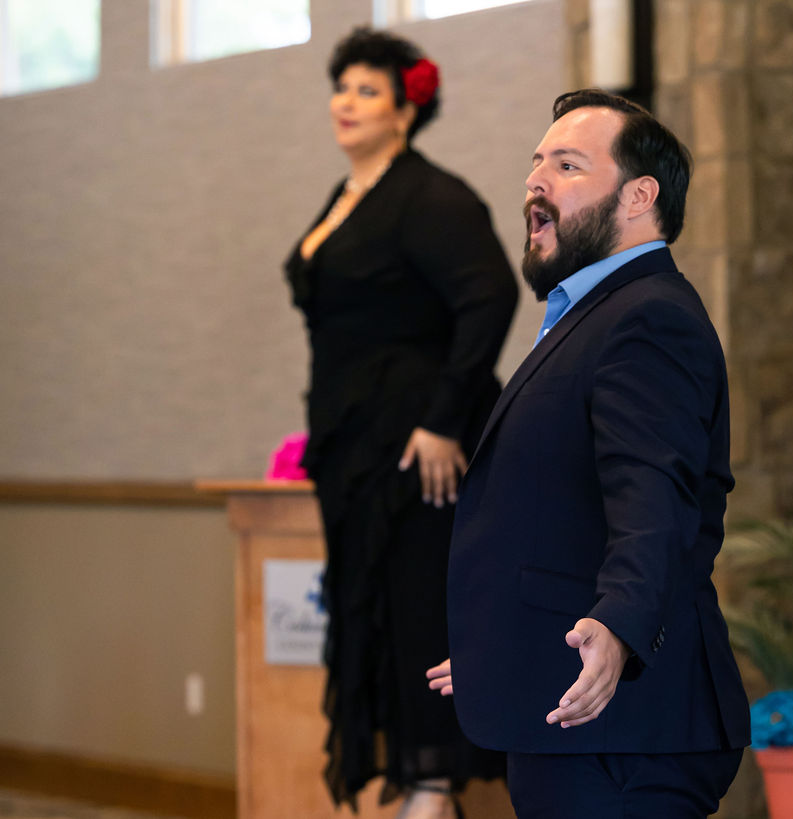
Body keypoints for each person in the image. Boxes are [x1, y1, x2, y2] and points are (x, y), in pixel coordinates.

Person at [427, 89, 750, 818]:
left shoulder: (649, 318)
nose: (535, 181)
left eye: (567, 165)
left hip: (624, 730)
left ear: (639, 196)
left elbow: (653, 497)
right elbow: (562, 514)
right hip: (577, 713)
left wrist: (619, 626)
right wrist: (507, 645)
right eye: (537, 162)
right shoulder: (594, 317)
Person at [283, 27, 517, 819]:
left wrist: (444, 420)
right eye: (341, 87)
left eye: (368, 90)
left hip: (418, 447)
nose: (346, 102)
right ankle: (420, 786)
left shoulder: (430, 195)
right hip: (355, 448)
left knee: (420, 608)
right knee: (373, 610)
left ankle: (432, 786)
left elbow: (489, 296)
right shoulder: (346, 194)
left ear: (406, 110)